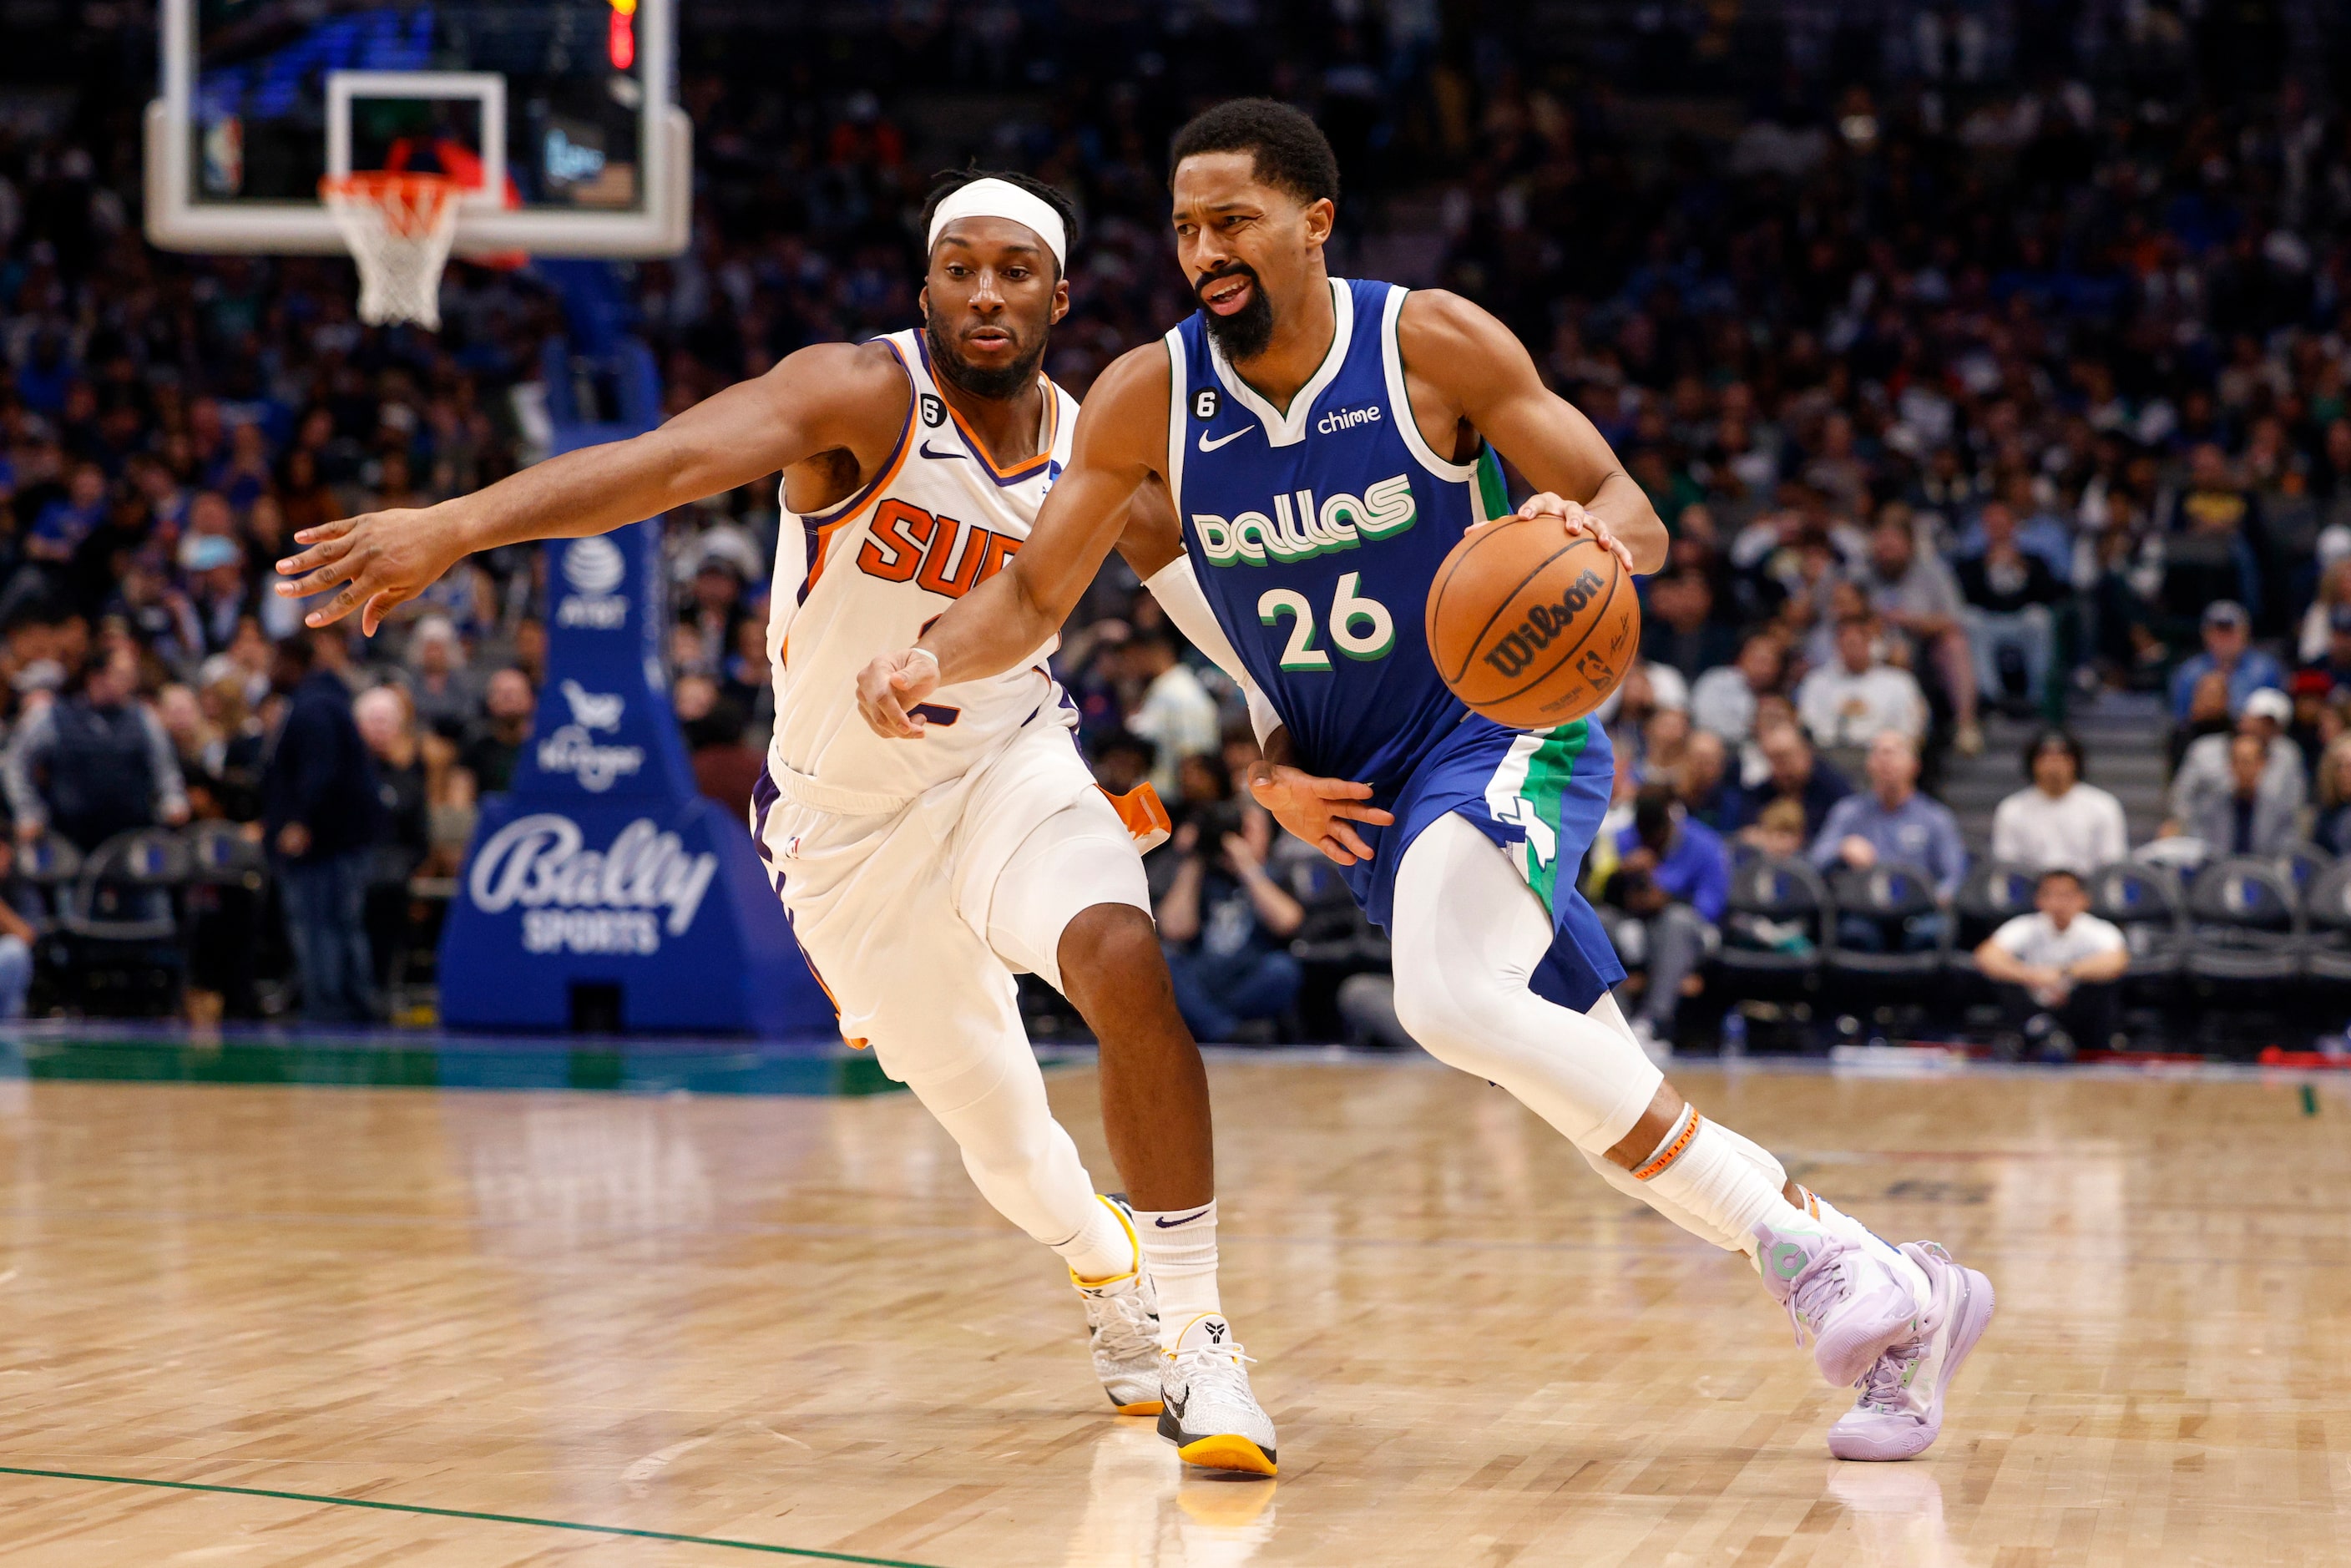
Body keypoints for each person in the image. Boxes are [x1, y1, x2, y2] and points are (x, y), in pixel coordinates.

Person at [859, 99, 1990, 1465]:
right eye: (1183, 227)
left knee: (1447, 996)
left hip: (1505, 726)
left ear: (1314, 220)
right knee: (1593, 1092)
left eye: (1232, 220)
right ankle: (1901, 1290)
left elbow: (1633, 508)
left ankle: (1814, 1260)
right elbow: (1037, 592)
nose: (1203, 249)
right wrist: (927, 657)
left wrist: (1585, 528)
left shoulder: (1428, 342)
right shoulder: (1146, 401)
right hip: (1363, 792)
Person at [272, 169, 1273, 1472]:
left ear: (1058, 296)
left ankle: (1201, 1333)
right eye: (959, 266)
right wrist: (457, 527)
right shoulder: (862, 391)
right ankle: (1106, 1263)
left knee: (1119, 954)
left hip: (1010, 770)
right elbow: (673, 461)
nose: (984, 291)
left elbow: (1224, 605)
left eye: (1013, 270)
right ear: (926, 288)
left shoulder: (1098, 450)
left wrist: (1286, 726)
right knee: (1012, 1143)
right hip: (845, 830)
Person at [260, 635, 382, 1024]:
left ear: (291, 661)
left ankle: (329, 1007)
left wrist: (299, 821)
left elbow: (320, 772)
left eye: (274, 661)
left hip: (325, 841)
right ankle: (354, 1003)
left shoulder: (313, 708)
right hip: (341, 838)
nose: (269, 671)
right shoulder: (328, 700)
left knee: (320, 926)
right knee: (342, 924)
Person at [3, 645, 190, 852]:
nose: (131, 681)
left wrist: (173, 799)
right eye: (122, 674)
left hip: (132, 836)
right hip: (68, 838)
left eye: (131, 674)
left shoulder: (143, 717)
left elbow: (165, 766)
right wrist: (28, 811)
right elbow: (15, 762)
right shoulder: (52, 715)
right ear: (96, 676)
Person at [1155, 804, 1303, 1043]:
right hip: (1202, 977)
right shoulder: (1200, 874)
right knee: (1164, 958)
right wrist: (1193, 859)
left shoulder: (1274, 874)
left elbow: (1289, 922)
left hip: (1248, 977)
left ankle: (1210, 1024)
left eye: (1246, 830)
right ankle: (1225, 1031)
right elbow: (1174, 929)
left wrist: (1248, 868)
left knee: (1283, 969)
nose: (1235, 837)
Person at [1601, 783, 1728, 1055]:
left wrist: (1665, 897)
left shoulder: (1705, 844)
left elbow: (1711, 906)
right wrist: (1621, 878)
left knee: (1674, 921)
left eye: (1655, 834)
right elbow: (1597, 893)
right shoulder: (1622, 839)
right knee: (1600, 921)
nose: (1649, 840)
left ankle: (1651, 1023)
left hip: (1693, 931)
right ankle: (1618, 1023)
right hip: (1635, 926)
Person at [1809, 730, 1967, 948]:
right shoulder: (1848, 812)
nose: (1886, 760)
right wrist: (1841, 847)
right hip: (1863, 910)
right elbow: (1816, 860)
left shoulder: (1935, 818)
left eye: (1894, 753)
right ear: (1868, 765)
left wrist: (1937, 899)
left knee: (1931, 933)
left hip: (1919, 913)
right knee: (1852, 934)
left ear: (1915, 765)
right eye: (1879, 753)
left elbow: (1954, 875)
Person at [1973, 868, 2130, 1060]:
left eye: (2066, 895)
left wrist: (2064, 973)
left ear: (2083, 899)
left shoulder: (2098, 929)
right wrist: (2031, 976)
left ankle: (2100, 1050)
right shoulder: (2025, 926)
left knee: (2105, 985)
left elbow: (2117, 961)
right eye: (2050, 895)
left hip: (2077, 1006)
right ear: (2039, 900)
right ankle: (2032, 1036)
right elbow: (1986, 956)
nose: (2058, 903)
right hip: (2033, 1002)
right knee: (2003, 978)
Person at [1861, 512, 1981, 752]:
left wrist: (1910, 621)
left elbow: (1954, 619)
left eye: (1893, 544)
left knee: (1954, 644)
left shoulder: (1933, 572)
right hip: (1872, 647)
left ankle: (1965, 725)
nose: (1886, 551)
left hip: (1924, 648)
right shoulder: (1862, 575)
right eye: (1881, 544)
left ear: (1909, 546)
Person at [1954, 500, 2064, 715]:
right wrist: (1986, 568)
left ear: (2013, 527)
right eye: (1992, 526)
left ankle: (2039, 697)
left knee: (2038, 618)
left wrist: (2023, 568)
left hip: (2022, 623)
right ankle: (1991, 697)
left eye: (2002, 525)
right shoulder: (1972, 564)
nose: (1998, 531)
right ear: (1985, 529)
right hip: (1989, 624)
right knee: (1970, 619)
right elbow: (1964, 598)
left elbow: (2051, 596)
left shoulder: (2034, 560)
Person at [2167, 688, 2306, 838]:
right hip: (2206, 838)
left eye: (2269, 724)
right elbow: (2181, 798)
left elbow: (2294, 806)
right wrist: (2192, 831)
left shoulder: (2288, 754)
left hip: (2267, 840)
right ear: (2245, 717)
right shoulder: (2204, 750)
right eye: (2259, 719)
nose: (2261, 727)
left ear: (2279, 729)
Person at [1990, 730, 2128, 875]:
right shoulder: (2011, 809)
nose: (2054, 766)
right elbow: (2004, 867)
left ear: (2075, 762)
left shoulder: (2104, 806)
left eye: (2061, 758)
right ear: (2032, 764)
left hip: (2086, 891)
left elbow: (2113, 864)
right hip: (2032, 892)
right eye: (2046, 758)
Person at [1795, 613, 1930, 750]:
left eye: (1856, 643)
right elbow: (1807, 725)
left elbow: (1911, 728)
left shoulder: (1899, 682)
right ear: (1837, 645)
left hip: (1882, 755)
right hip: (1829, 756)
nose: (1852, 650)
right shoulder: (1816, 682)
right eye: (1846, 643)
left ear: (1870, 643)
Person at [2167, 600, 2283, 726]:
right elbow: (2181, 719)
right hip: (2203, 736)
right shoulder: (2188, 672)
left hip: (2256, 740)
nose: (2224, 639)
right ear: (2205, 634)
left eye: (2230, 632)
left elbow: (2279, 715)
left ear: (2245, 632)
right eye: (2218, 632)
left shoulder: (2266, 669)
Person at [2185, 731, 2300, 857]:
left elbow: (2286, 851)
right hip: (2220, 873)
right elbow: (2199, 848)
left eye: (2247, 762)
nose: (2242, 768)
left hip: (2263, 874)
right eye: (2236, 761)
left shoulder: (2279, 811)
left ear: (2262, 764)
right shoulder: (2209, 808)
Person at [1688, 630, 1784, 747]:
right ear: (1742, 658)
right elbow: (1704, 721)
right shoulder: (1717, 681)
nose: (1764, 669)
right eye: (1759, 660)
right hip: (1718, 747)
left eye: (1770, 663)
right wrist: (1750, 728)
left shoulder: (1780, 694)